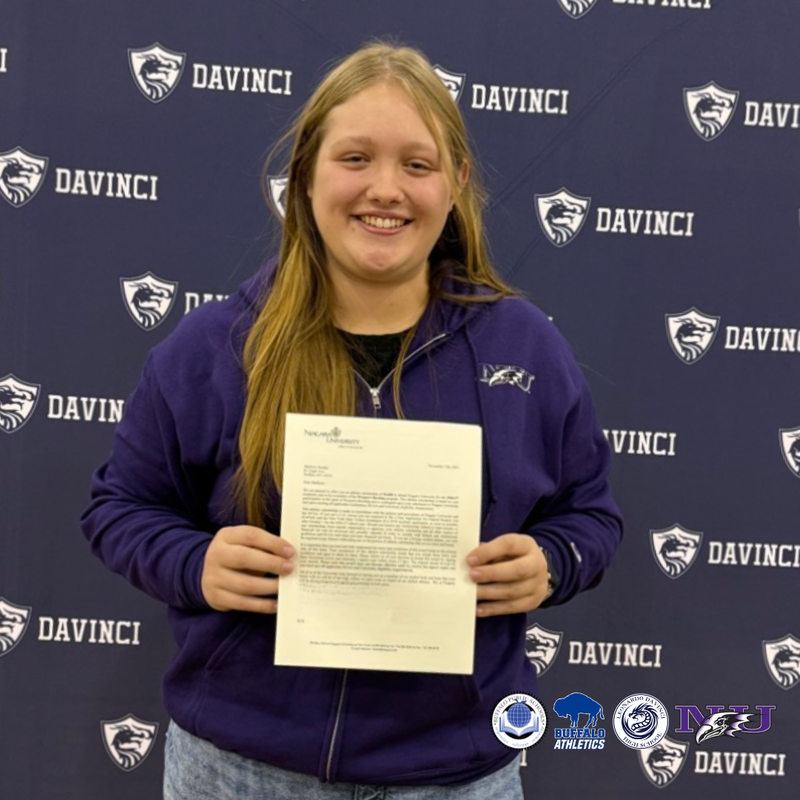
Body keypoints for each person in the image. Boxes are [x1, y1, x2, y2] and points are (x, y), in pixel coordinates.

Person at [81, 41, 622, 800]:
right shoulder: (213, 347)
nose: (385, 189)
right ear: (304, 177)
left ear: (457, 184)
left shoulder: (526, 345)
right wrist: (194, 564)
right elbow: (120, 508)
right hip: (237, 773)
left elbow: (590, 515)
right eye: (356, 158)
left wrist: (551, 561)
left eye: (417, 164)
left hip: (456, 776)